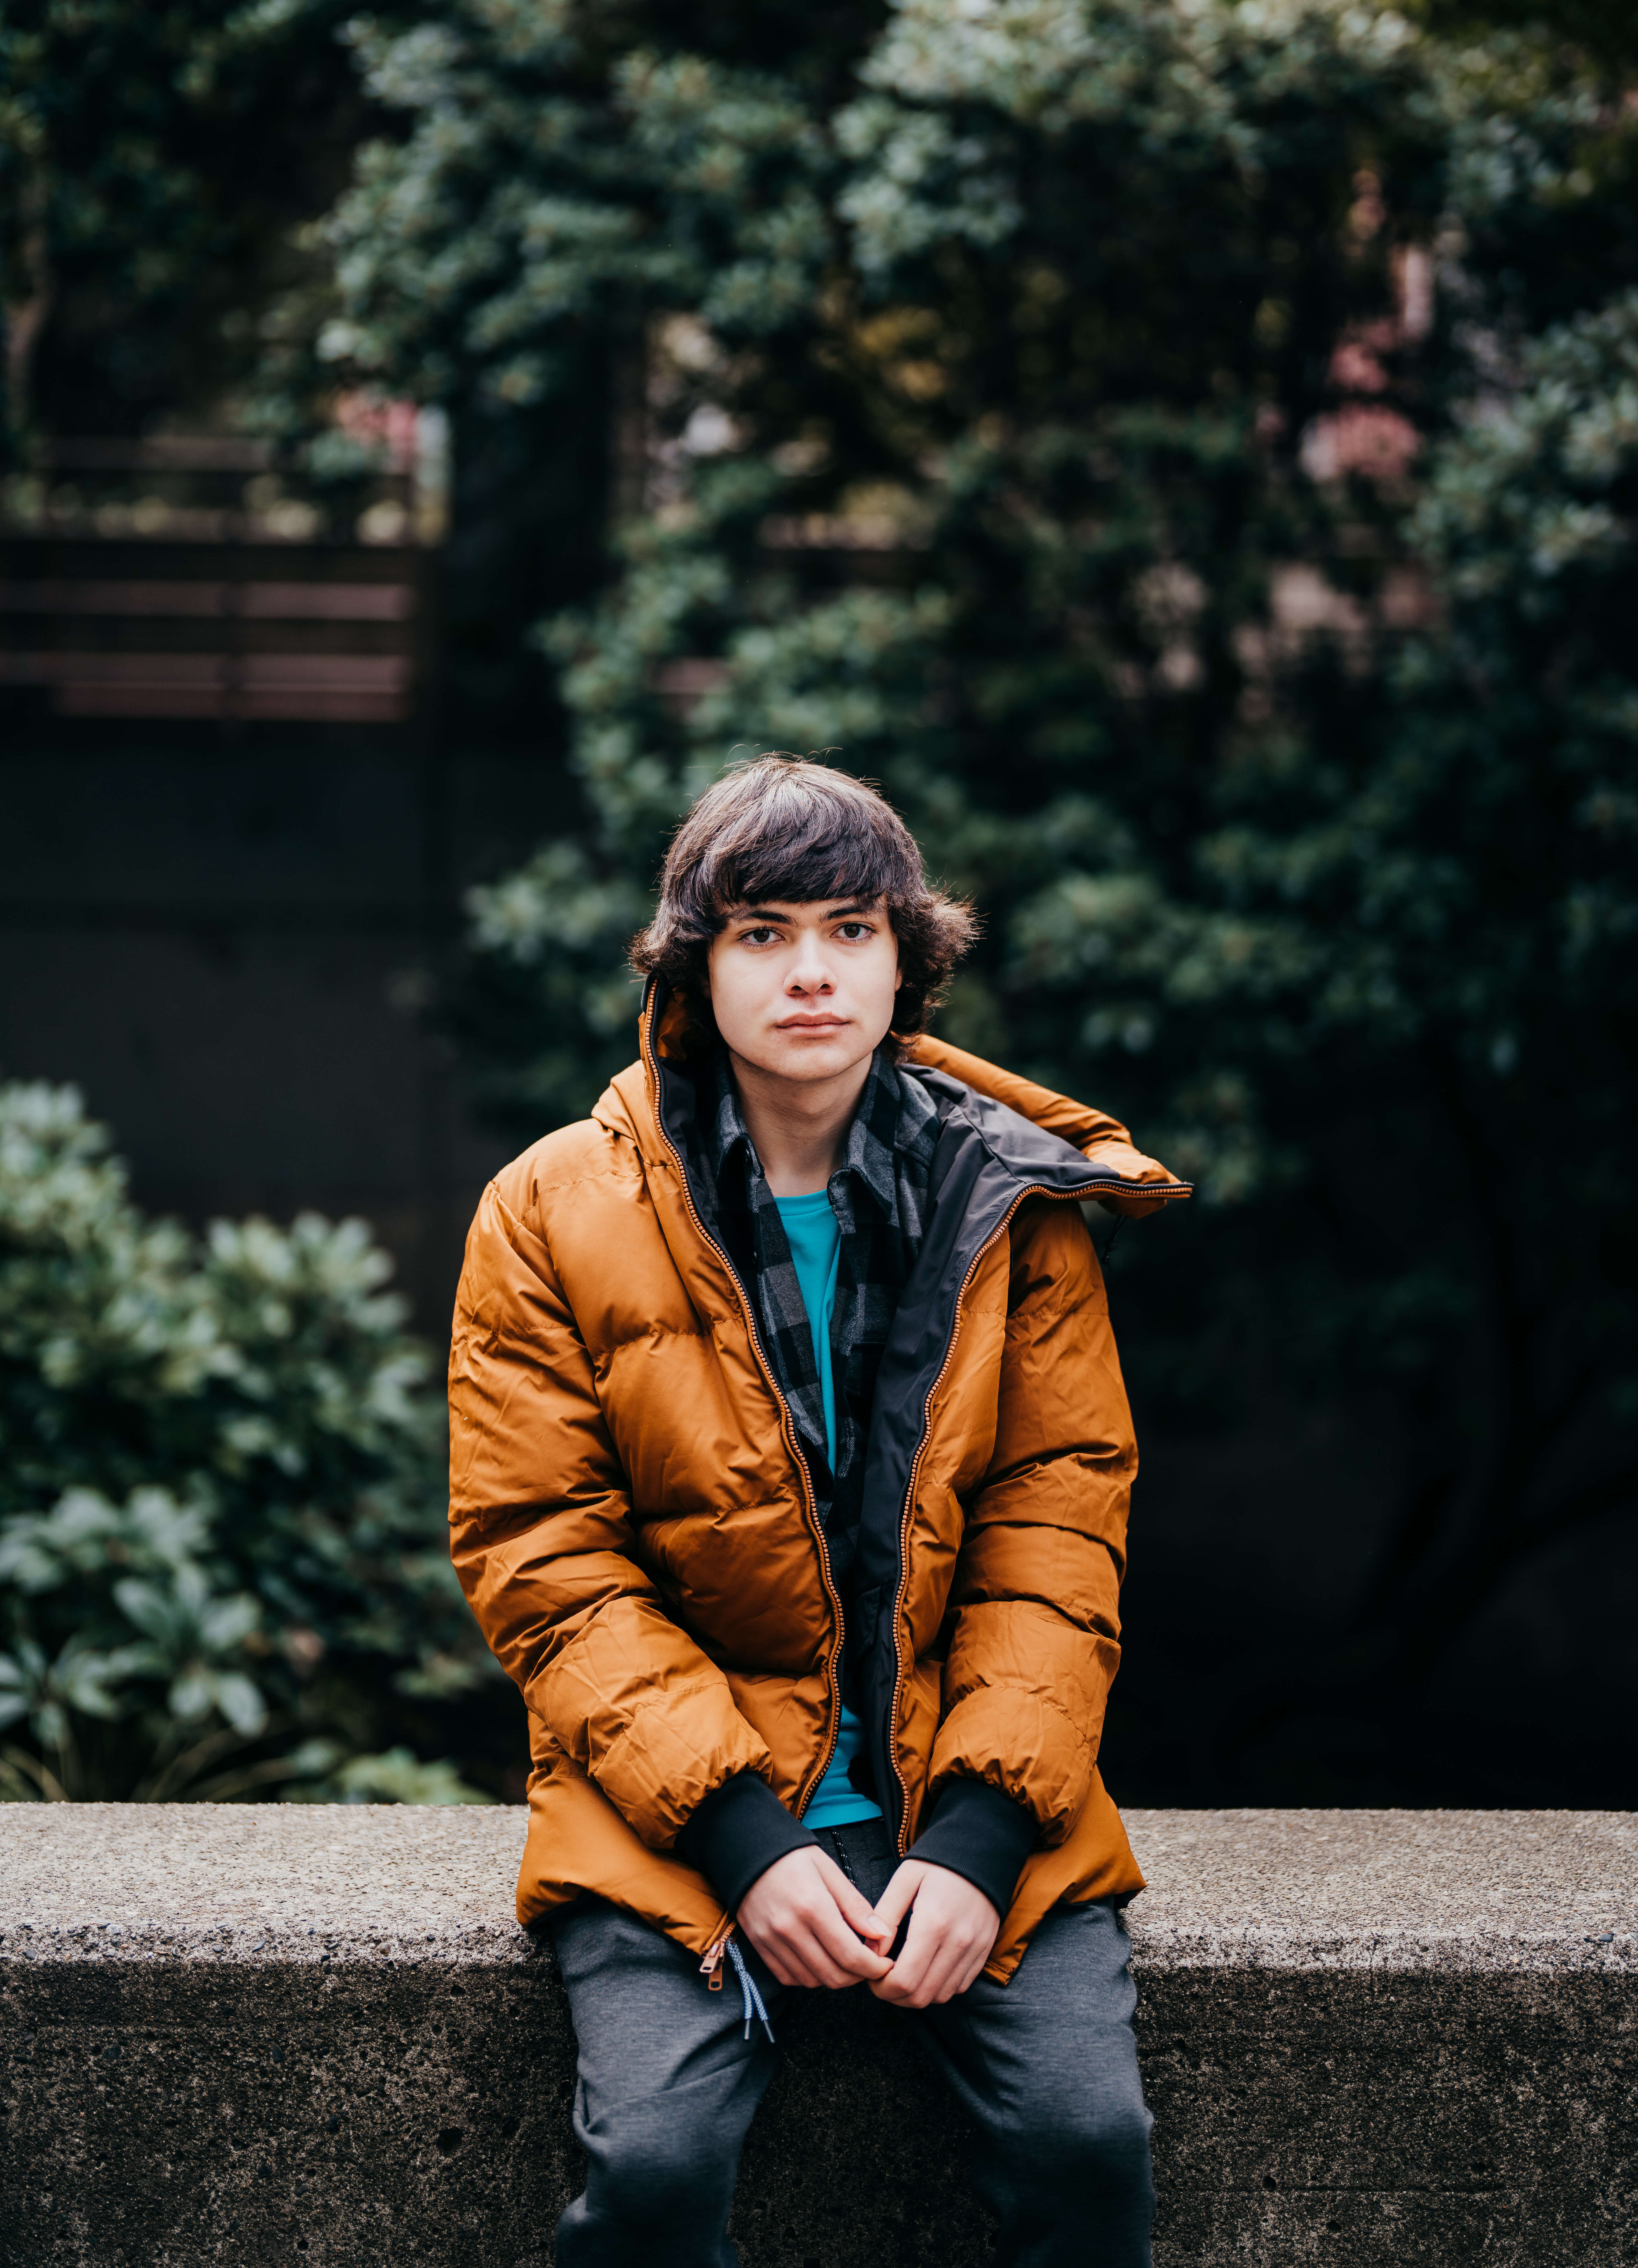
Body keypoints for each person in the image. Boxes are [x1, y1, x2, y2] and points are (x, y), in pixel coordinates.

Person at [448, 755, 1189, 2266]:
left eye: (852, 931)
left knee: (1088, 2147)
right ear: (690, 965)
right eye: (765, 931)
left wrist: (981, 1843)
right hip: (676, 1811)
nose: (811, 974)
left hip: (964, 1789)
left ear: (907, 959)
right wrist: (747, 1844)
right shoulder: (551, 1208)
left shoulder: (1014, 1203)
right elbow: (545, 1555)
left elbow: (1059, 1533)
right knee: (654, 2172)